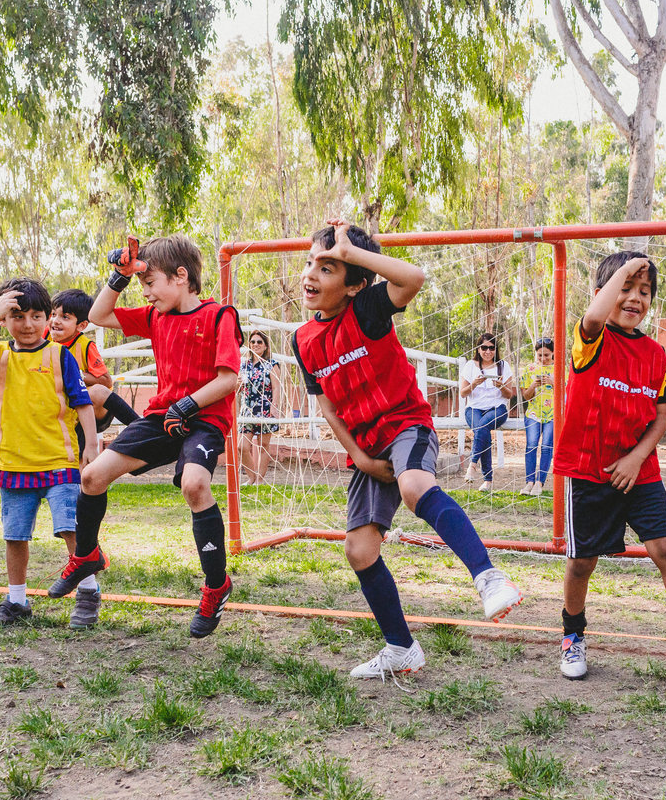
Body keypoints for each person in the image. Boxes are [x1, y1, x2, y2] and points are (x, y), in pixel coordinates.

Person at [293, 219, 523, 680]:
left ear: (355, 284)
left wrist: (353, 253)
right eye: (310, 262)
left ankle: (488, 576)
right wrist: (358, 457)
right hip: (366, 446)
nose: (311, 274)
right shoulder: (301, 340)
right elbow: (327, 406)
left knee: (417, 486)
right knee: (359, 551)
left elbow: (413, 278)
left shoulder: (368, 310)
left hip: (406, 426)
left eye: (328, 267)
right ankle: (401, 648)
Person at [45, 235, 242, 639]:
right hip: (160, 417)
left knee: (194, 484)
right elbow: (100, 314)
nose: (147, 293)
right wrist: (119, 275)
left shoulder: (220, 315)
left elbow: (229, 379)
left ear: (181, 276)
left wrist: (187, 406)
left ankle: (216, 585)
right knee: (91, 477)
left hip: (202, 420)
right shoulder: (155, 317)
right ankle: (87, 555)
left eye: (150, 283)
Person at [552, 251, 666, 680]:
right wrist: (630, 268)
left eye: (644, 291)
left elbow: (662, 416)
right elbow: (594, 317)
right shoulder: (589, 338)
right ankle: (573, 637)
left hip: (639, 468)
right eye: (626, 288)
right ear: (602, 294)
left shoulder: (654, 354)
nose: (635, 298)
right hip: (589, 469)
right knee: (582, 562)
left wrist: (635, 457)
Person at [0, 279, 100, 629]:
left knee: (71, 529)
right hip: (14, 464)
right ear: (4, 320)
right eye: (17, 316)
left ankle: (87, 592)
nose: (27, 324)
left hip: (61, 463)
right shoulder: (0, 355)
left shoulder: (61, 356)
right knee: (15, 536)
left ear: (47, 318)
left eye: (37, 316)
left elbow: (83, 403)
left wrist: (91, 445)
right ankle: (16, 601)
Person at [48, 288, 139, 435]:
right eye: (53, 314)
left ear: (81, 325)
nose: (55, 321)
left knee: (98, 392)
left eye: (65, 317)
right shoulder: (43, 337)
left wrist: (75, 374)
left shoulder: (85, 346)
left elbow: (106, 381)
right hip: (60, 408)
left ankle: (141, 428)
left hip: (91, 409)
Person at [459, 332, 516, 491]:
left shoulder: (503, 366)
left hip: (497, 408)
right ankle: (488, 480)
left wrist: (500, 386)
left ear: (495, 349)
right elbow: (463, 393)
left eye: (491, 348)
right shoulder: (470, 365)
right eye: (484, 347)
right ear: (478, 349)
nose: (488, 351)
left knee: (482, 427)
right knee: (481, 430)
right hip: (474, 408)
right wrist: (475, 384)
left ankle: (472, 465)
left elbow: (509, 394)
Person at [239, 330, 283, 485]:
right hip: (247, 410)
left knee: (263, 445)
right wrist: (238, 383)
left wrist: (274, 406)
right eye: (253, 342)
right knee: (242, 446)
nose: (255, 344)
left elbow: (277, 387)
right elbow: (238, 388)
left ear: (265, 346)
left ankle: (259, 480)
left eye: (259, 342)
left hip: (265, 408)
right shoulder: (243, 365)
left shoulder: (271, 364)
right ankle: (251, 477)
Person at [519, 337, 555, 496]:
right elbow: (526, 397)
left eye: (546, 355)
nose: (543, 358)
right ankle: (529, 482)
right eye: (540, 355)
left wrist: (553, 382)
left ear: (553, 353)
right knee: (531, 445)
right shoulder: (529, 369)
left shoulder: (560, 369)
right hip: (533, 414)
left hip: (553, 415)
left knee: (547, 446)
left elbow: (568, 395)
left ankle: (540, 483)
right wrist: (533, 385)